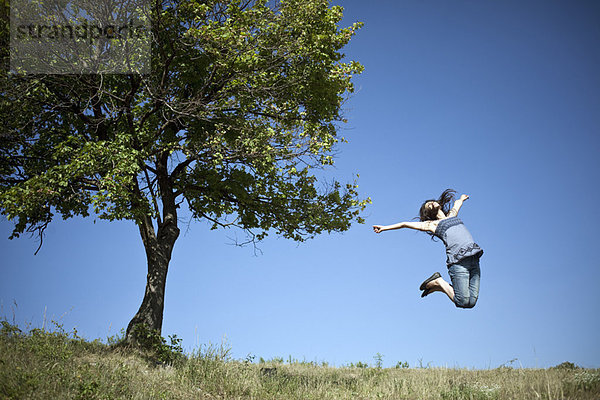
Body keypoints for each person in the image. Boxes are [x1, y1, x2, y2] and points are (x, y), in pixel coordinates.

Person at [372, 189, 483, 308]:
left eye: (431, 202)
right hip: (458, 262)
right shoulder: (431, 224)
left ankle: (438, 287)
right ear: (429, 212)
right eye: (428, 205)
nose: (431, 203)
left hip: (474, 259)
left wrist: (461, 199)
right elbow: (404, 224)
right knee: (462, 302)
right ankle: (439, 281)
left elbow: (457, 204)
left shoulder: (452, 216)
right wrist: (384, 228)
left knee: (471, 303)